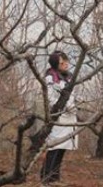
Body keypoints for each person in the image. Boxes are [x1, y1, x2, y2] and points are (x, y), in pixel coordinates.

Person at [40, 51, 78, 186]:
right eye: (62, 63)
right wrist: (65, 106)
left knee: (62, 147)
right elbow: (51, 98)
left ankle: (55, 177)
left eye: (66, 61)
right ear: (56, 64)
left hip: (69, 117)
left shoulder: (69, 76)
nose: (65, 64)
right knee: (53, 147)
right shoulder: (51, 77)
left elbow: (73, 95)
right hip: (58, 116)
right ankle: (47, 178)